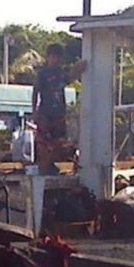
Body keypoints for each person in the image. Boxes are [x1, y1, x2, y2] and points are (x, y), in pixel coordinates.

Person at [32, 43, 86, 173]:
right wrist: (35, 111)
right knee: (44, 142)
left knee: (58, 142)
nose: (56, 60)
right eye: (53, 57)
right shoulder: (42, 74)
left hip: (59, 112)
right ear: (48, 57)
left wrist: (79, 69)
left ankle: (50, 165)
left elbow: (70, 78)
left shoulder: (61, 73)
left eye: (58, 57)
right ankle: (44, 166)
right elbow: (35, 92)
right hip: (45, 112)